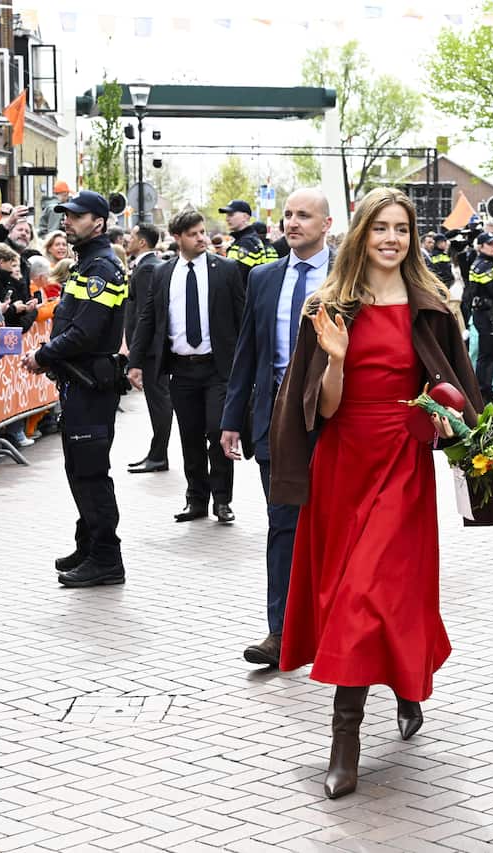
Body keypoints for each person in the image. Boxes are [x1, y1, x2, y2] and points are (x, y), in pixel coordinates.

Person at [268, 186, 493, 800]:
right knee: (360, 593)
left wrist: (456, 428)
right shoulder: (328, 306)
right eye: (380, 228)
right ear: (360, 235)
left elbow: (455, 391)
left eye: (402, 228)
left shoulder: (433, 306)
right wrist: (336, 359)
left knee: (369, 591)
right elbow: (320, 408)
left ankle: (344, 739)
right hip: (343, 462)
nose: (392, 239)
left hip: (403, 462)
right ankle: (401, 682)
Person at [220, 188, 333, 669]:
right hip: (277, 421)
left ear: (326, 224)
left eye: (303, 215)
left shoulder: (349, 277)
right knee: (283, 524)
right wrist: (232, 419)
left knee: (334, 526)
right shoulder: (263, 278)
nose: (292, 222)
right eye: (288, 214)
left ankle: (334, 628)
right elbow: (247, 352)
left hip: (334, 420)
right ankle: (281, 632)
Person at [21, 191, 128, 588]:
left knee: (90, 472)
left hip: (90, 384)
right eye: (66, 215)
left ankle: (106, 558)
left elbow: (85, 332)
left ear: (98, 222)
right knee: (79, 469)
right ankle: (89, 544)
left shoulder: (101, 267)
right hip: (79, 382)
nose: (67, 221)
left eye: (76, 216)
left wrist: (42, 355)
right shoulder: (89, 262)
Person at [128, 209, 245, 524]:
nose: (201, 238)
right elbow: (148, 318)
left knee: (217, 431)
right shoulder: (163, 273)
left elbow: (242, 317)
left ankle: (222, 500)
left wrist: (245, 364)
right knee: (190, 435)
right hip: (181, 369)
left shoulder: (226, 270)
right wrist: (135, 362)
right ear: (177, 238)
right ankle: (196, 499)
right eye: (193, 234)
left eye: (202, 232)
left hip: (218, 368)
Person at [124, 224, 171, 474]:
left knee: (159, 402)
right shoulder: (148, 266)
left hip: (151, 350)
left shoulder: (147, 268)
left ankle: (159, 455)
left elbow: (145, 314)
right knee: (158, 401)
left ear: (142, 242)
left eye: (131, 236)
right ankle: (156, 453)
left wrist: (138, 354)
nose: (127, 240)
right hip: (151, 349)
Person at [466, 232, 493, 411]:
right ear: (480, 247)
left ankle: (485, 397)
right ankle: (484, 398)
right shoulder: (484, 266)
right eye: (490, 244)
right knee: (486, 357)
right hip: (486, 315)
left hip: (487, 315)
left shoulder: (487, 263)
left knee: (488, 356)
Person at [220, 200, 278, 285]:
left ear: (245, 217)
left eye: (231, 214)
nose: (227, 219)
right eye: (227, 215)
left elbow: (233, 279)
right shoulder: (247, 239)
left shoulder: (246, 243)